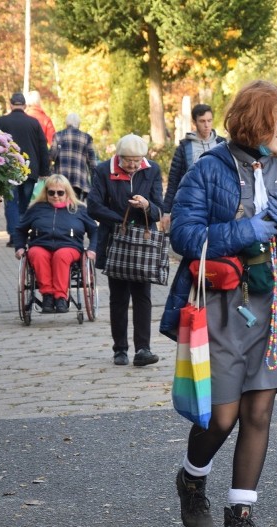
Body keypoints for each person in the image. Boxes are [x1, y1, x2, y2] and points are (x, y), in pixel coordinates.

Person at [159, 80, 277, 527]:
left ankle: (241, 519)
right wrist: (246, 228)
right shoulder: (207, 170)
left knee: (259, 412)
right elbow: (184, 235)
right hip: (223, 306)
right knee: (222, 416)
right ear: (254, 118)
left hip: (276, 305)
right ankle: (192, 477)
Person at [88, 134, 164, 366]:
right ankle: (119, 348)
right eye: (128, 161)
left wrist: (147, 206)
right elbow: (94, 205)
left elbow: (159, 208)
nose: (133, 166)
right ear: (119, 157)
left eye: (137, 160)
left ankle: (143, 349)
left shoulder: (152, 170)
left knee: (143, 296)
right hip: (115, 239)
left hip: (143, 241)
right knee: (119, 297)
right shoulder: (103, 170)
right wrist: (122, 220)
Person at [13, 174, 97, 314]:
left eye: (60, 192)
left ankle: (60, 298)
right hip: (41, 244)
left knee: (61, 255)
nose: (55, 196)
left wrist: (92, 249)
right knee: (36, 253)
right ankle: (47, 296)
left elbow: (95, 230)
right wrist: (20, 247)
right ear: (46, 192)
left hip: (69, 246)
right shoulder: (36, 208)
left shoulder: (79, 209)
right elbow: (20, 230)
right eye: (51, 192)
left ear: (67, 192)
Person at [0, 91, 50, 246]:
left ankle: (14, 236)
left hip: (8, 169)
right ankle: (23, 235)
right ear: (25, 106)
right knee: (25, 205)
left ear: (11, 105)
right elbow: (42, 148)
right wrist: (45, 172)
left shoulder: (1, 122)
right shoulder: (34, 123)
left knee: (11, 203)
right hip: (30, 170)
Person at [161, 103, 226, 231]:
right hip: (193, 204)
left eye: (209, 120)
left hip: (219, 203)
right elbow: (174, 181)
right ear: (195, 122)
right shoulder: (184, 148)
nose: (206, 125)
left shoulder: (223, 144)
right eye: (202, 121)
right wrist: (166, 212)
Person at [50, 112, 98, 200]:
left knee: (60, 203)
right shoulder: (87, 138)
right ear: (79, 124)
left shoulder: (58, 136)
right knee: (75, 205)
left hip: (60, 178)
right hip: (79, 179)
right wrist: (94, 180)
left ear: (66, 123)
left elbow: (52, 156)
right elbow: (92, 162)